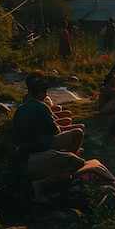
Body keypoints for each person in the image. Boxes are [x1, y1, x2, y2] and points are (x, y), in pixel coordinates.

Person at [13, 73, 85, 203]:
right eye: (46, 93)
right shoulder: (41, 106)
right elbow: (55, 130)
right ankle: (69, 160)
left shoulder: (20, 108)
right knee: (78, 133)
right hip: (42, 146)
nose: (47, 95)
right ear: (41, 93)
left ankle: (65, 158)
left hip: (25, 147)